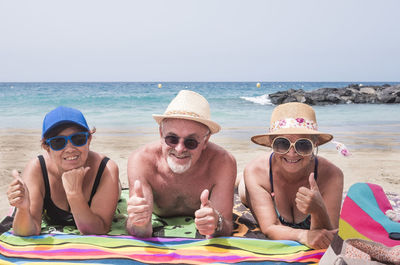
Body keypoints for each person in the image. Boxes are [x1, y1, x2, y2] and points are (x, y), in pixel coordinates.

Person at [126, 90, 237, 238]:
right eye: (171, 139)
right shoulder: (141, 161)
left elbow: (226, 226)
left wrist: (216, 223)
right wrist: (138, 222)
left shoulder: (222, 162)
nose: (179, 149)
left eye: (191, 142)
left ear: (205, 141)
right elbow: (140, 231)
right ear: (161, 134)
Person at [238, 102, 343, 249]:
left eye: (303, 145)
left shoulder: (332, 175)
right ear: (270, 143)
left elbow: (330, 236)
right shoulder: (256, 172)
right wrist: (303, 235)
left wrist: (319, 210)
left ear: (315, 144)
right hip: (258, 183)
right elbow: (270, 227)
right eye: (282, 144)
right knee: (243, 189)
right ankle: (240, 180)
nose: (292, 153)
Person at [7, 106, 120, 236]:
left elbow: (99, 230)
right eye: (58, 142)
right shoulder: (37, 169)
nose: (70, 148)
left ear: (89, 140)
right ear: (46, 147)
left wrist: (74, 194)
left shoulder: (106, 169)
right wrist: (22, 210)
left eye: (78, 139)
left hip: (109, 185)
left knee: (116, 189)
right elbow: (27, 231)